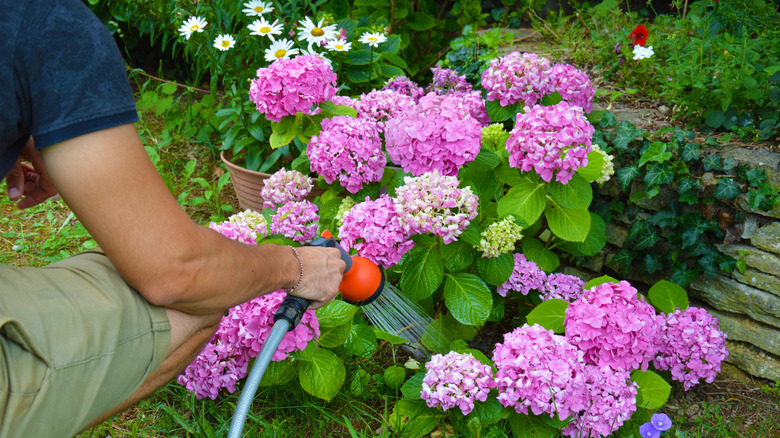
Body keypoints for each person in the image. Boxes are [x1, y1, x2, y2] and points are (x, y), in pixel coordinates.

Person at [0, 1, 346, 436]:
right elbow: (177, 272)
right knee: (193, 305)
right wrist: (296, 266)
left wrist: (20, 123)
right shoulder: (46, 22)